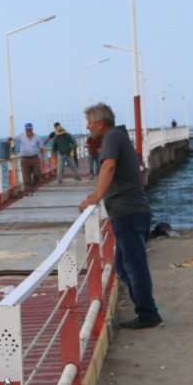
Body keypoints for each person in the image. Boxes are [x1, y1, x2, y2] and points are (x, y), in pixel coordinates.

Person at [78, 102, 161, 330]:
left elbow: (109, 167)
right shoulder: (117, 136)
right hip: (128, 212)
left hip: (129, 212)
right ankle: (146, 310)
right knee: (124, 267)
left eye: (90, 123)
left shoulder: (112, 137)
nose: (88, 127)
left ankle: (148, 314)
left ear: (100, 123)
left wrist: (95, 196)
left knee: (134, 266)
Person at [14, 122, 47, 187]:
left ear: (32, 129)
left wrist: (42, 157)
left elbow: (41, 147)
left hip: (35, 158)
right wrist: (11, 147)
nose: (28, 131)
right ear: (25, 130)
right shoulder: (21, 136)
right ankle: (28, 190)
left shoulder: (37, 137)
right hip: (24, 159)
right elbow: (12, 140)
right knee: (26, 176)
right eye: (27, 129)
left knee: (37, 174)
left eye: (29, 129)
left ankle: (35, 184)